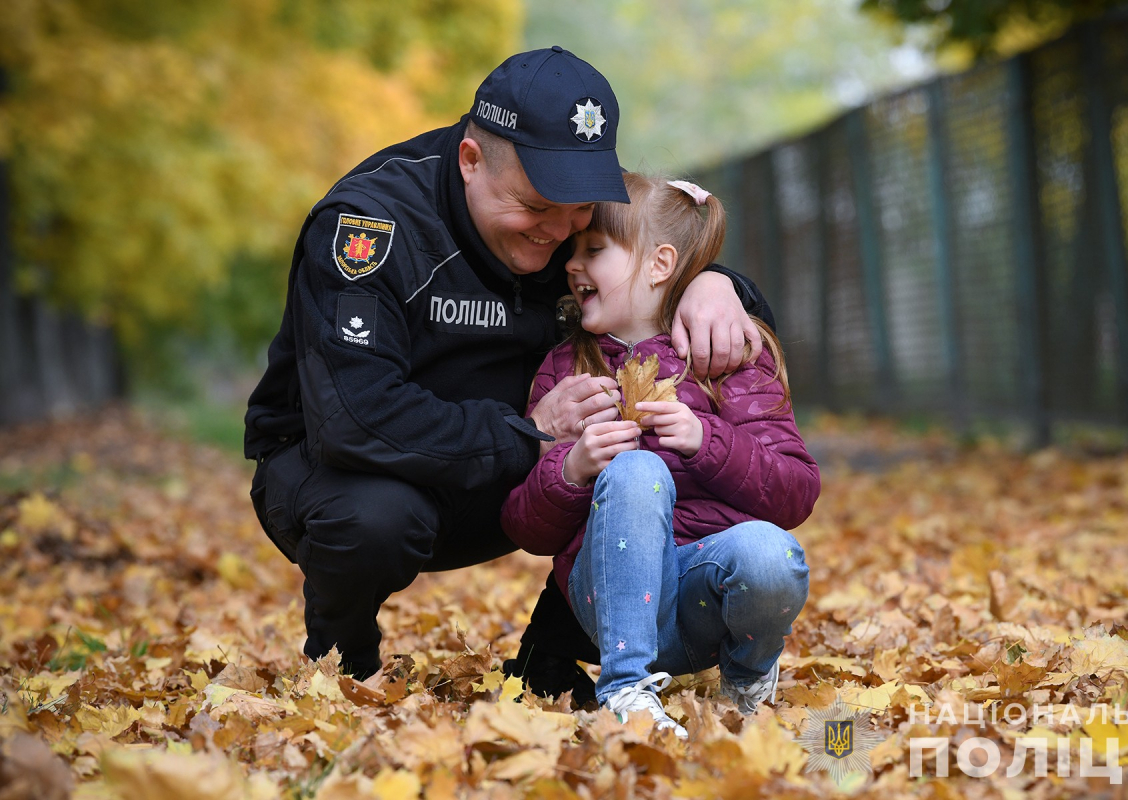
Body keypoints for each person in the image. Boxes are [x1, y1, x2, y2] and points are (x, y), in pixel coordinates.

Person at [243, 47, 775, 695]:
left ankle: (552, 657)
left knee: (640, 450)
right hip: (350, 473)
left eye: (579, 210)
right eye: (536, 206)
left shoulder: (569, 209)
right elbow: (355, 422)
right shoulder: (372, 223)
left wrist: (716, 287)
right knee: (375, 517)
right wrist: (532, 434)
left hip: (515, 474)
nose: (558, 232)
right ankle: (342, 654)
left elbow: (661, 247)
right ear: (471, 162)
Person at [500, 173, 820, 737]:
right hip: (606, 601)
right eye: (571, 251)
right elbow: (526, 529)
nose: (572, 265)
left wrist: (708, 442)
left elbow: (796, 491)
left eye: (593, 250)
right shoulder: (563, 371)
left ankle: (747, 676)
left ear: (659, 263)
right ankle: (625, 687)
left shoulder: (731, 356)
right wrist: (571, 471)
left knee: (772, 552)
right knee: (637, 468)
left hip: (706, 597)